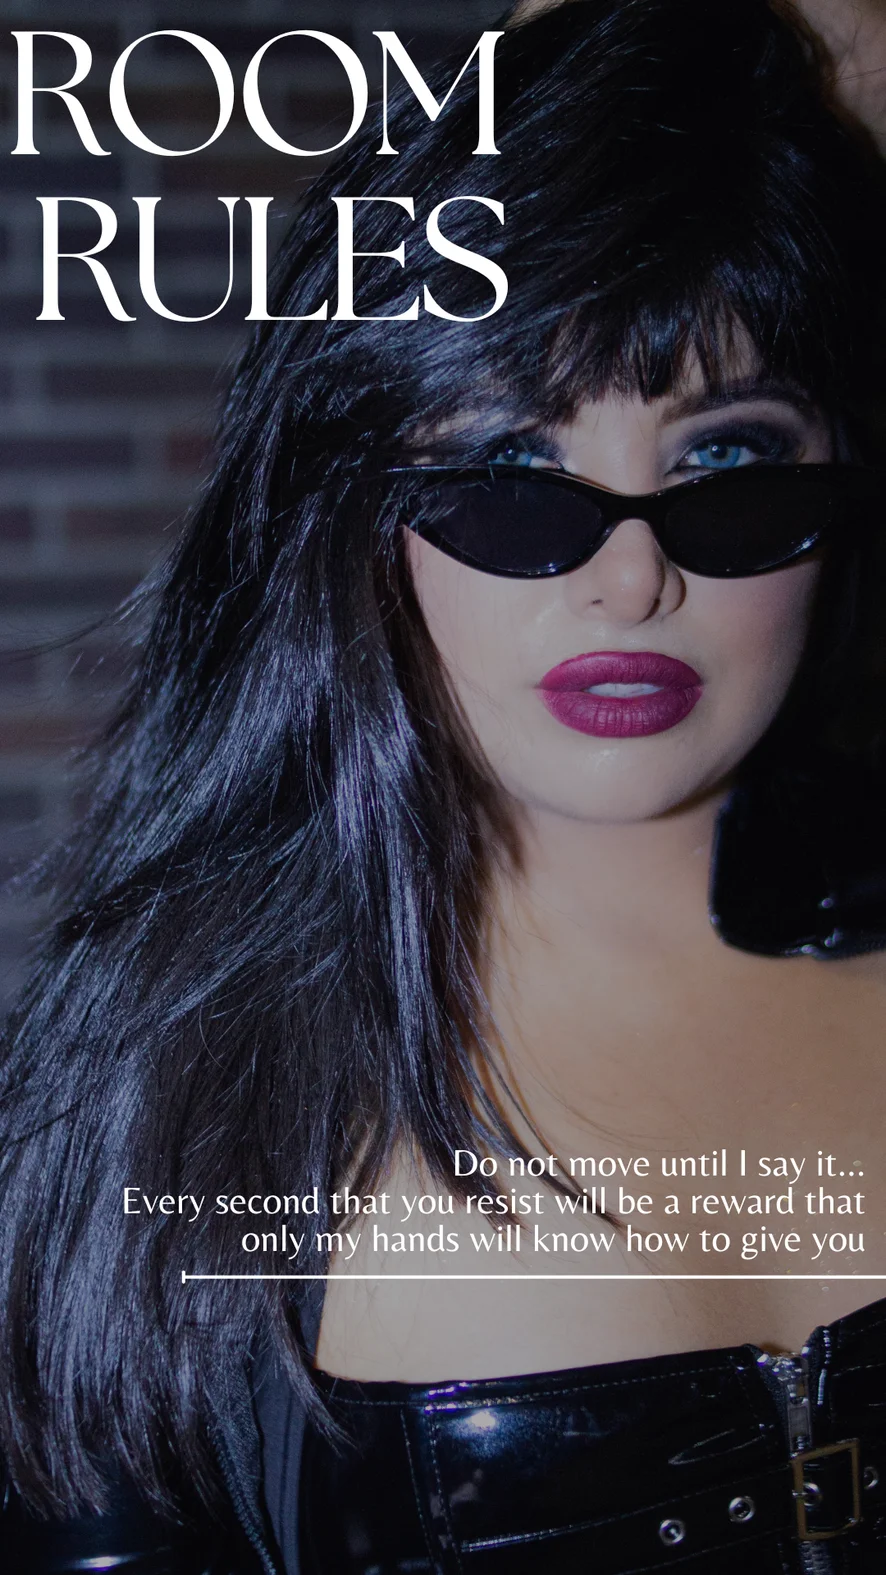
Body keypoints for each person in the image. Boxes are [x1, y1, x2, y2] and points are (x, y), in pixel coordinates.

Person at [2, 0, 886, 1570]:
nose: (628, 579)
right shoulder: (167, 1090)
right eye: (509, 474)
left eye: (727, 463)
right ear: (353, 517)